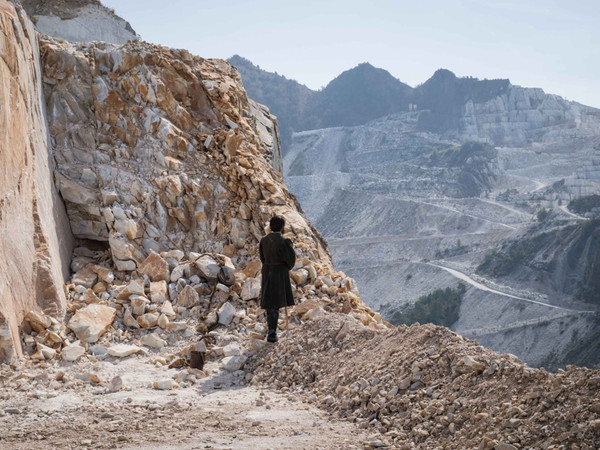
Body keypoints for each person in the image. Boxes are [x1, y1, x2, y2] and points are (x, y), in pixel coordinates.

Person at [259, 215, 296, 343]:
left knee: (270, 302)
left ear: (270, 227)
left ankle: (271, 331)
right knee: (277, 301)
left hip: (267, 271)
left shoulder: (263, 240)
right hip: (280, 272)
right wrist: (285, 267)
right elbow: (291, 260)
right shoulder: (285, 241)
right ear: (282, 227)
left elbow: (262, 258)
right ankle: (273, 333)